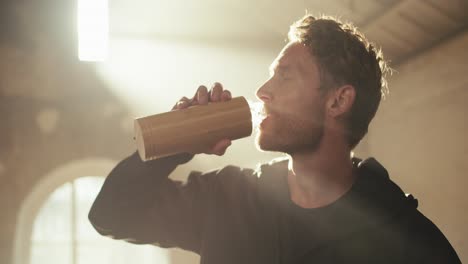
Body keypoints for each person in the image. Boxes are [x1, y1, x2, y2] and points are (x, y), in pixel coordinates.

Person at [88, 15, 461, 263]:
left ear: (338, 100)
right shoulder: (230, 198)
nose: (263, 91)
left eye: (284, 76)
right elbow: (111, 215)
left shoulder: (408, 242)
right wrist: (178, 144)